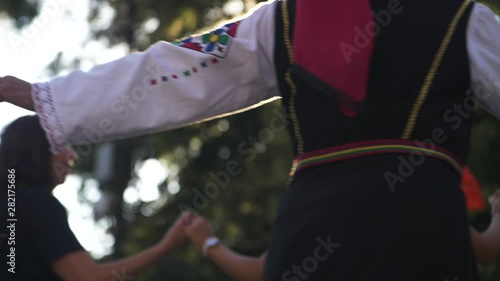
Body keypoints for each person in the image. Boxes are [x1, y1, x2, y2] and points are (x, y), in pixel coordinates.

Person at [1, 0, 500, 280]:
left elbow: (182, 68)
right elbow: (183, 66)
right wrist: (52, 98)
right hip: (421, 225)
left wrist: (54, 97)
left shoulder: (285, 18)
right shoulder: (463, 18)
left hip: (314, 228)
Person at [0, 115, 188, 281]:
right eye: (62, 145)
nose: (72, 155)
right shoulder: (37, 205)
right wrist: (165, 246)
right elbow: (87, 277)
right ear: (38, 150)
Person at [182, 188, 500, 281]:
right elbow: (485, 249)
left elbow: (264, 271)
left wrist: (208, 242)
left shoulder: (319, 197)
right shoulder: (424, 188)